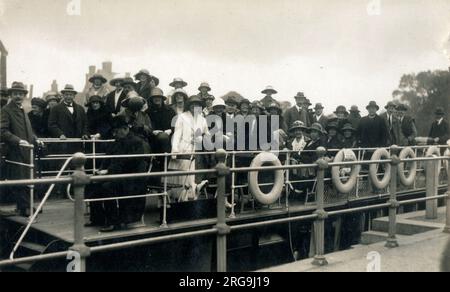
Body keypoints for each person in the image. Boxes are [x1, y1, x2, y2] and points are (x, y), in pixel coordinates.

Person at [97, 115, 149, 232]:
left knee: (107, 187)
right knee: (95, 184)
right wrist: (101, 168)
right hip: (120, 175)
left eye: (117, 131)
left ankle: (113, 221)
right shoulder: (118, 141)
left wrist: (108, 171)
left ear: (125, 129)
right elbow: (108, 157)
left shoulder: (135, 142)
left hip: (132, 178)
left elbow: (126, 162)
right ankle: (98, 218)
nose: (114, 134)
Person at [0, 82, 42, 216]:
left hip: (26, 151)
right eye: (15, 94)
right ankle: (25, 207)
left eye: (20, 94)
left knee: (27, 178)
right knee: (20, 179)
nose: (18, 96)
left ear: (24, 96)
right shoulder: (6, 110)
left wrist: (35, 139)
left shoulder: (22, 109)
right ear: (11, 95)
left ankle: (25, 206)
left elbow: (27, 129)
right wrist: (18, 141)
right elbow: (2, 131)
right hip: (15, 151)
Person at [169, 95, 209, 198]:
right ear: (189, 106)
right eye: (193, 104)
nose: (195, 107)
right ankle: (182, 197)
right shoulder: (182, 117)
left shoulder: (202, 120)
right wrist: (175, 150)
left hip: (196, 150)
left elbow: (207, 135)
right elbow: (177, 134)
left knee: (193, 174)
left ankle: (192, 195)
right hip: (183, 148)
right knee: (183, 176)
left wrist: (200, 138)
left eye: (197, 105)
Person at [48, 84, 89, 153]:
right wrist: (60, 134)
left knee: (77, 162)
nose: (68, 97)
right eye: (66, 94)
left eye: (71, 95)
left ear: (74, 96)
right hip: (63, 143)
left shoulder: (80, 109)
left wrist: (84, 133)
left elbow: (85, 123)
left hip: (77, 143)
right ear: (63, 95)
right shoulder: (56, 109)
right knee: (64, 162)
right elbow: (52, 124)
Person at [146, 87, 176, 155]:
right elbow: (147, 125)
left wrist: (171, 130)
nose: (157, 99)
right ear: (152, 99)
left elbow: (176, 124)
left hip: (169, 136)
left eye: (159, 97)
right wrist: (152, 131)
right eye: (154, 97)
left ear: (162, 98)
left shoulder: (170, 111)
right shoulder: (148, 112)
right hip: (153, 137)